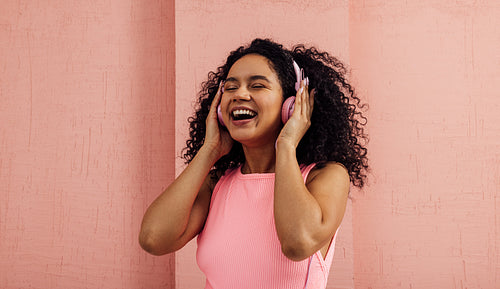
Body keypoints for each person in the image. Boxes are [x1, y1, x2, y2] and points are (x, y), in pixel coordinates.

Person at [139, 38, 368, 289]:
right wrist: (209, 150)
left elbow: (298, 242)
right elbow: (153, 239)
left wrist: (287, 144)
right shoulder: (216, 184)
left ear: (292, 104)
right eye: (230, 87)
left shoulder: (324, 176)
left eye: (257, 85)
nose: (239, 94)